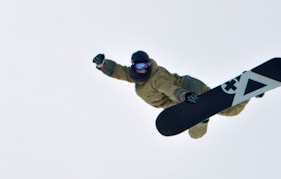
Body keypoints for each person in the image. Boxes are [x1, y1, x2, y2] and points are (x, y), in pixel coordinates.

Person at [93, 50, 248, 139]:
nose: (144, 69)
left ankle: (201, 119)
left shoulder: (156, 77)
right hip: (189, 88)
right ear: (134, 66)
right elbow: (120, 71)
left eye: (146, 65)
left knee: (197, 132)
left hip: (185, 93)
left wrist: (185, 97)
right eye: (140, 66)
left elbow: (169, 89)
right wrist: (102, 65)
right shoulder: (133, 75)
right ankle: (249, 91)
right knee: (227, 111)